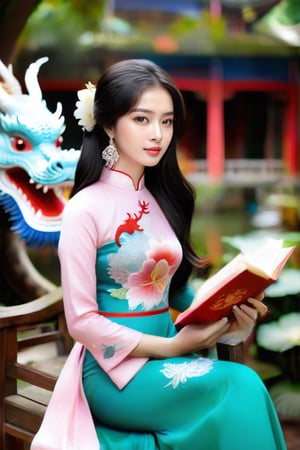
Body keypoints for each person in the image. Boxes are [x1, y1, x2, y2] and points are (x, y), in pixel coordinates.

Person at [31, 59, 286, 450]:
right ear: (109, 125)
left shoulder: (163, 197)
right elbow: (81, 321)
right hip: (114, 374)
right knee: (242, 385)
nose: (158, 135)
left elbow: (176, 291)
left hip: (167, 360)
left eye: (166, 122)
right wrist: (171, 347)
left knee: (242, 387)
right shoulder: (85, 208)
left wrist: (232, 307)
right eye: (142, 119)